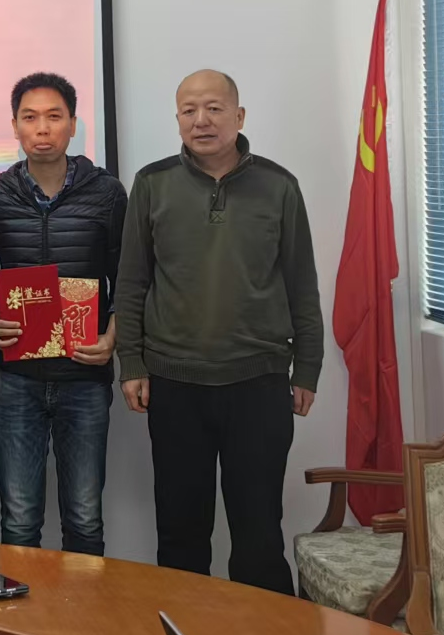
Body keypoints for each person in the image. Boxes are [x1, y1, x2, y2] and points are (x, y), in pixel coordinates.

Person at [115, 69, 324, 596]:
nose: (201, 120)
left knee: (258, 535)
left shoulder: (279, 186)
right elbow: (133, 282)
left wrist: (308, 368)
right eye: (188, 110)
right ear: (177, 119)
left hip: (259, 382)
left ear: (239, 116)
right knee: (180, 534)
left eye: (213, 108)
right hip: (174, 383)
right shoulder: (152, 183)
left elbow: (302, 283)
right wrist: (131, 363)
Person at [0, 72, 127, 556]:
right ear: (15, 127)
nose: (42, 128)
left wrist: (113, 338)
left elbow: (129, 279)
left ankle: (80, 608)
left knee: (84, 518)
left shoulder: (107, 193)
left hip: (84, 376)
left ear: (73, 125)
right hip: (13, 378)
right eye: (30, 118)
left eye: (53, 117)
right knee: (19, 519)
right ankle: (20, 606)